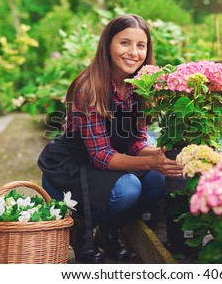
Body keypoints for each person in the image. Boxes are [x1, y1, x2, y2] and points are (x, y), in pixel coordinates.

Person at [37, 14, 183, 263]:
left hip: (107, 169)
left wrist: (162, 156)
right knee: (129, 187)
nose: (133, 53)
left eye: (141, 45)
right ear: (107, 45)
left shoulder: (140, 87)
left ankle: (110, 230)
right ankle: (81, 229)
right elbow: (100, 155)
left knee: (159, 179)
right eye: (124, 43)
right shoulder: (88, 88)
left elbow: (136, 143)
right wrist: (150, 162)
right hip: (72, 171)